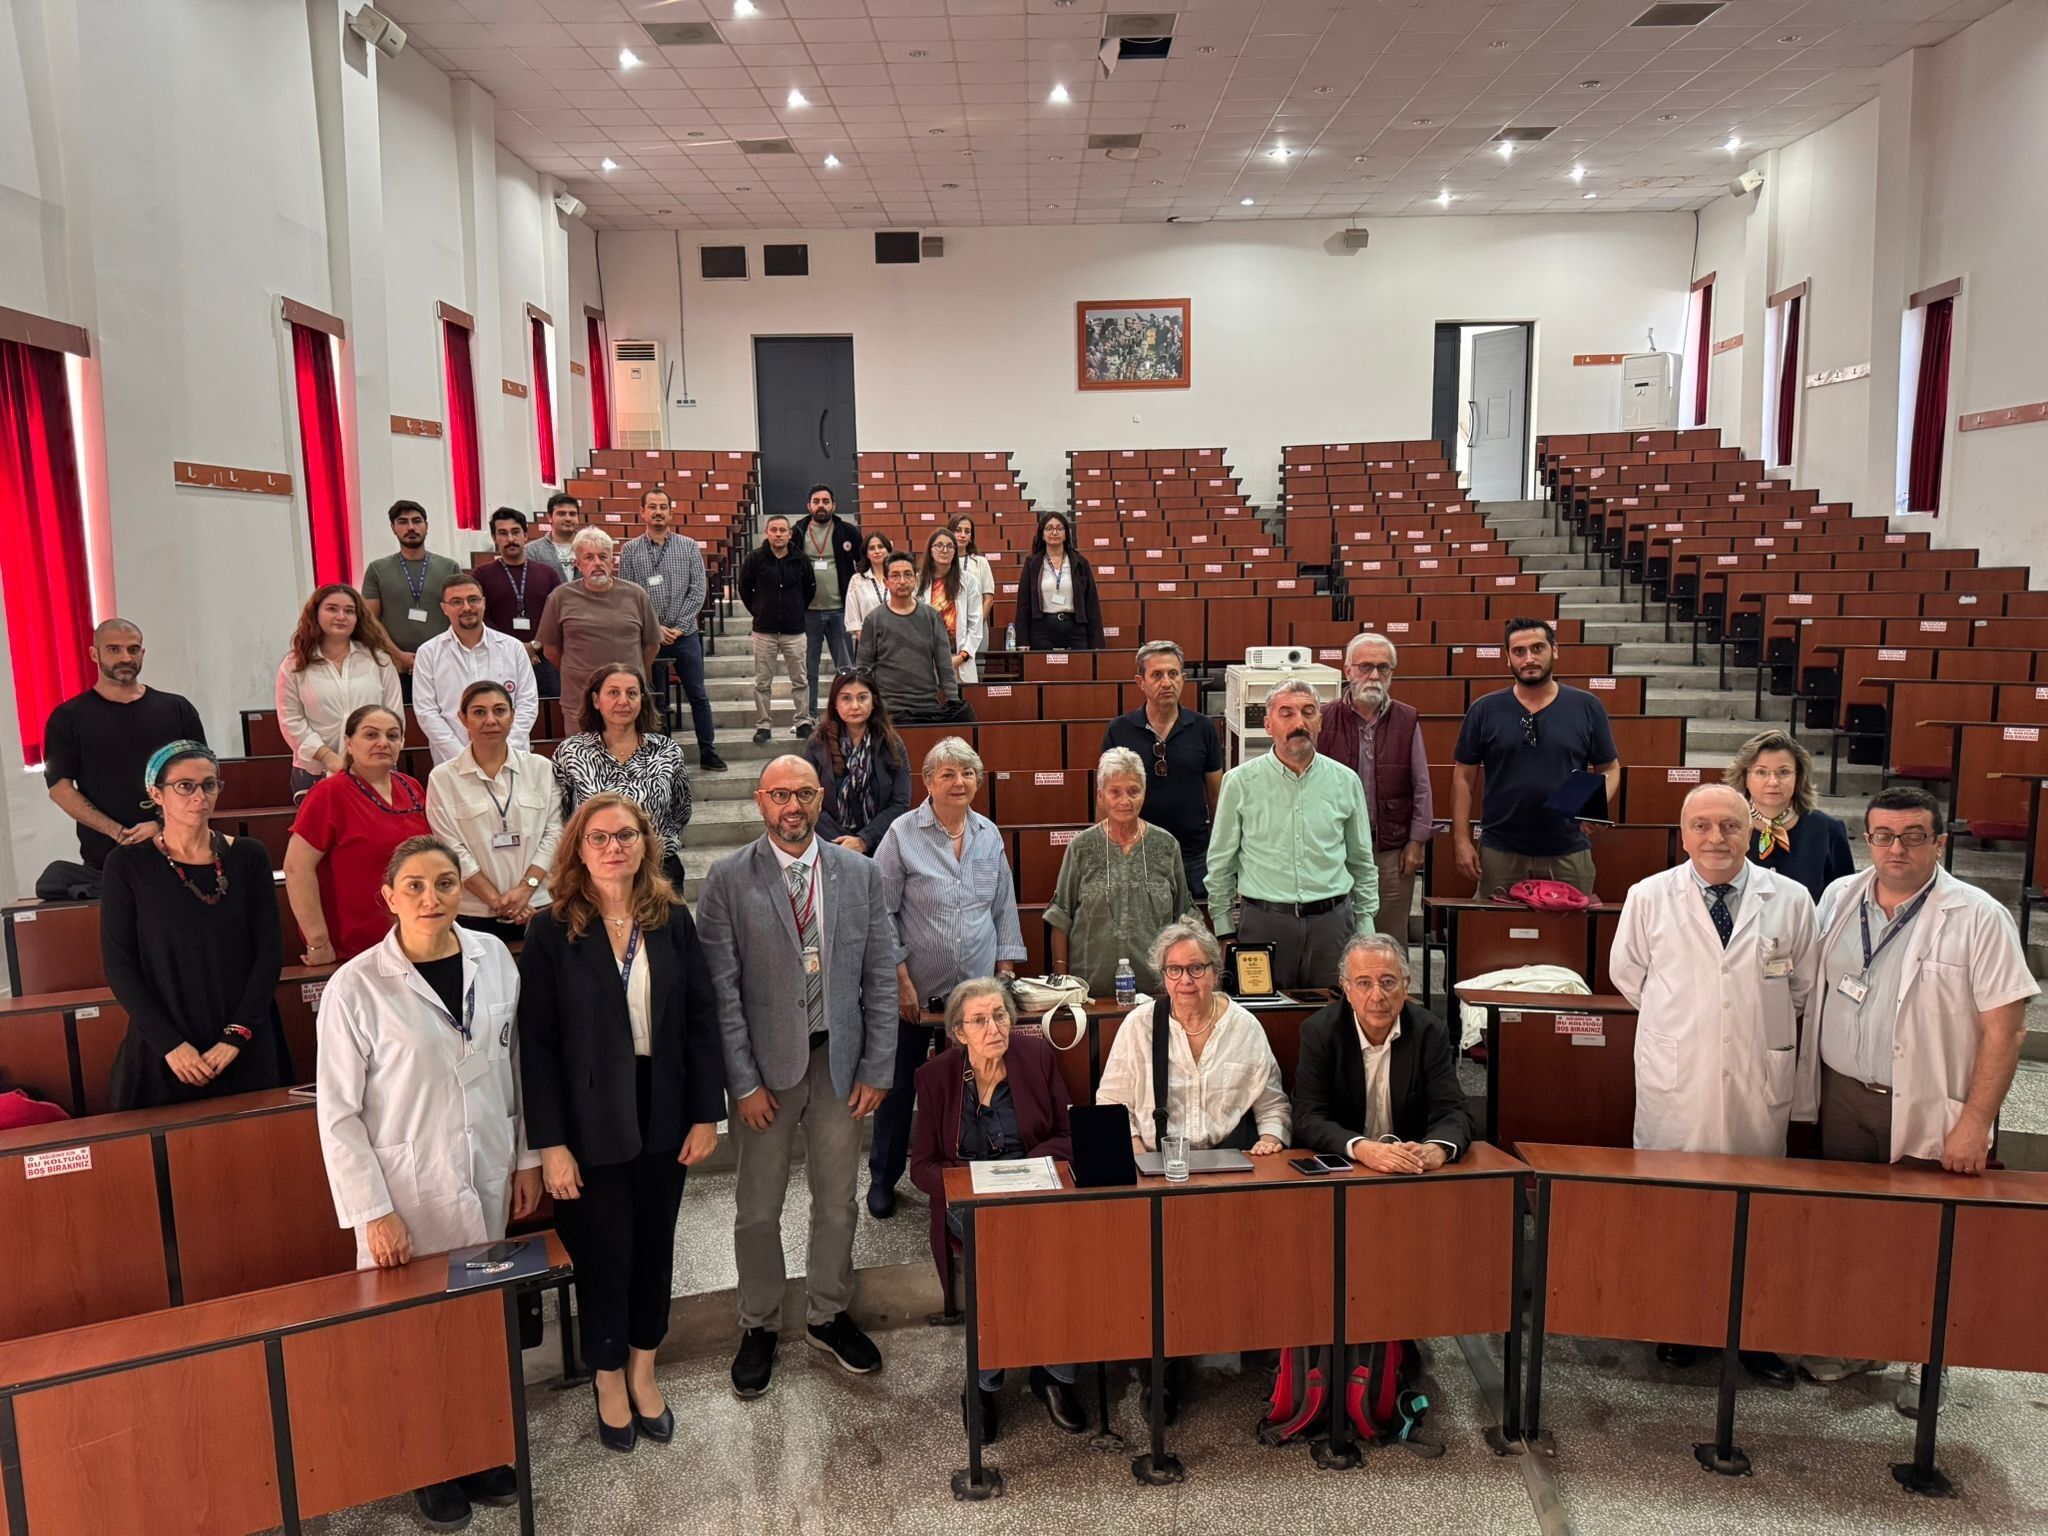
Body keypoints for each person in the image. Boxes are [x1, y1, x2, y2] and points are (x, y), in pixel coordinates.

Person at [314, 835, 540, 1532]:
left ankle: (474, 1447)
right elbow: (339, 1115)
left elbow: (518, 1063)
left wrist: (526, 1158)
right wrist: (371, 1212)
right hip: (405, 1191)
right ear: (388, 896)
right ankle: (425, 1462)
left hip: (488, 1169)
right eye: (413, 885)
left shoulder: (493, 956)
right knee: (413, 1333)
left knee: (477, 1320)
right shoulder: (356, 985)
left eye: (444, 883)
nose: (430, 898)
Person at [1799, 786, 2037, 1413]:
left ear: (1940, 842)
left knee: (1927, 1236)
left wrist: (1975, 1124)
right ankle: (1857, 1342)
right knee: (1852, 1229)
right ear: (1867, 840)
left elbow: (2005, 1028)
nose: (1895, 847)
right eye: (1882, 835)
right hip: (1843, 1094)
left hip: (1931, 1103)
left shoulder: (1979, 916)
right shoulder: (1838, 897)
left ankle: (1923, 1359)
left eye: (1912, 835)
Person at [518, 794, 726, 1453]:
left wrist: (705, 1112)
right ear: (578, 849)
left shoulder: (672, 921)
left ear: (646, 845)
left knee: (653, 1249)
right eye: (601, 837)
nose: (615, 847)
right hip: (585, 1122)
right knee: (603, 1255)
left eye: (628, 835)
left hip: (663, 1108)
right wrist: (550, 1143)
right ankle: (607, 1374)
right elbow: (539, 1044)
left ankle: (644, 1369)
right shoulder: (551, 929)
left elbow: (700, 1021)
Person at [697, 756, 898, 1399]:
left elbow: (879, 978)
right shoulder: (728, 880)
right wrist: (744, 1082)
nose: (793, 805)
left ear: (820, 799)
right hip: (765, 1073)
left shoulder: (858, 875)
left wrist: (877, 1065)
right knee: (758, 1208)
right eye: (780, 794)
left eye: (805, 793)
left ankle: (826, 1314)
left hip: (839, 1064)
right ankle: (758, 1323)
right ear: (760, 801)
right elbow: (722, 994)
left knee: (837, 1201)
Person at [1608, 783, 1817, 1388]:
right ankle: (1680, 1323)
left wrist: (1739, 1021)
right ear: (1683, 835)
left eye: (1728, 825)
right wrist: (1693, 1024)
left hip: (1759, 1077)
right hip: (1679, 1080)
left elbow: (1801, 983)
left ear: (1750, 830)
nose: (1715, 838)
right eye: (1701, 826)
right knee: (1679, 1207)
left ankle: (1753, 1332)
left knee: (1759, 1211)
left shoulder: (1792, 899)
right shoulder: (1650, 896)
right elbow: (1630, 976)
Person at [908, 979, 1083, 1440]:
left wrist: (1022, 1172)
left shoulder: (1036, 1058)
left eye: (1000, 1016)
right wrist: (969, 1184)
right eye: (980, 1020)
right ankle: (986, 1381)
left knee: (1050, 1245)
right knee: (1000, 1249)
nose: (993, 1027)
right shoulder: (936, 1076)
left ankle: (1054, 1375)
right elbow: (921, 1166)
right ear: (959, 1033)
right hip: (969, 1195)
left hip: (1033, 1187)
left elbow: (1068, 1136)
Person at [869, 738, 1026, 1218]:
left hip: (975, 996)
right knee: (899, 1090)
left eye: (968, 774)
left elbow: (1003, 905)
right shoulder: (900, 834)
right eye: (948, 774)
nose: (959, 783)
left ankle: (966, 1167)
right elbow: (881, 910)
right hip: (915, 993)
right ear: (928, 781)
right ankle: (883, 1178)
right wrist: (900, 978)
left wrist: (1003, 971)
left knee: (970, 1086)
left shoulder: (988, 834)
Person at [100, 742, 288, 1110]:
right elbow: (119, 966)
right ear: (157, 793)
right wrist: (171, 1045)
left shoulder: (250, 855)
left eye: (209, 784)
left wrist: (236, 1036)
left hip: (244, 1038)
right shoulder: (126, 864)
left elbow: (268, 953)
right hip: (166, 1044)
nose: (199, 796)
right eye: (185, 786)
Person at [1207, 679, 1377, 990]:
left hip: (1333, 925)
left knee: (1334, 1021)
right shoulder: (1239, 783)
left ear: (1320, 722)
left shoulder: (1345, 781)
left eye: (1308, 712)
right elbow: (1220, 865)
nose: (1299, 722)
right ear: (1268, 724)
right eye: (1286, 713)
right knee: (1263, 1024)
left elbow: (1362, 864)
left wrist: (1365, 926)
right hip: (1263, 923)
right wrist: (1224, 930)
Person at [1452, 618, 1620, 899]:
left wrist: (1594, 804)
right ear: (1508, 658)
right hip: (1500, 850)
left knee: (1567, 938)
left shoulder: (1587, 706)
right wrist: (1461, 841)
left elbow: (1610, 768)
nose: (1529, 658)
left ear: (1554, 650)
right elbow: (1463, 778)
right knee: (1498, 935)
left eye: (1537, 648)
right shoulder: (1484, 709)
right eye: (1519, 651)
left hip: (1568, 849)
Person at [1098, 919, 1289, 1157]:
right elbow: (1111, 1103)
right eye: (1174, 969)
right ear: (1164, 975)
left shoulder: (1245, 1028)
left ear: (1215, 972)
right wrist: (1136, 1154)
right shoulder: (1138, 1026)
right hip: (1153, 1161)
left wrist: (1269, 1141)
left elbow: (1272, 1106)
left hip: (1230, 1161)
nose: (1185, 980)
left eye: (1196, 968)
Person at [1293, 934, 1470, 1168]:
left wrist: (1436, 1149)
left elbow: (1453, 1111)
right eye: (1364, 983)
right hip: (1345, 1166)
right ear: (1346, 988)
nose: (1377, 996)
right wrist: (1361, 1148)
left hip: (1408, 1167)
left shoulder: (1429, 1031)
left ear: (1406, 985)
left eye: (1388, 982)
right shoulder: (1320, 1032)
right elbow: (1308, 1117)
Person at [43, 619, 206, 873]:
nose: (125, 658)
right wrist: (118, 833)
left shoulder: (176, 709)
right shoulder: (68, 717)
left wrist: (161, 824)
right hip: (106, 857)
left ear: (143, 653)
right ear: (94, 654)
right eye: (113, 649)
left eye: (133, 649)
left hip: (182, 849)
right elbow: (60, 789)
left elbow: (202, 777)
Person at [284, 705, 431, 965]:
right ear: (349, 743)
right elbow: (297, 869)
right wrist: (318, 941)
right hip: (355, 948)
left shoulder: (412, 787)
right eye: (371, 735)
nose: (383, 743)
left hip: (414, 939)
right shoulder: (329, 794)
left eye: (393, 736)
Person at [1045, 747, 1191, 997]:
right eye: (1115, 792)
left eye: (1133, 791)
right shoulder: (1081, 847)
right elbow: (1061, 918)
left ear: (1144, 794)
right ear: (1101, 796)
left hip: (1155, 990)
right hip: (1090, 990)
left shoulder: (1167, 845)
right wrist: (1062, 978)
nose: (1125, 800)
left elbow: (1184, 917)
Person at [426, 681, 563, 946]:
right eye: (479, 712)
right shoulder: (443, 778)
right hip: (475, 914)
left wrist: (526, 889)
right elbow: (451, 849)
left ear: (512, 716)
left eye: (500, 711)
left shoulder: (540, 768)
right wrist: (497, 901)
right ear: (463, 718)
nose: (491, 720)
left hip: (539, 906)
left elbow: (555, 834)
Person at [1317, 632, 1431, 941]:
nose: (1374, 676)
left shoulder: (1407, 719)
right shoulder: (1324, 719)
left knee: (1389, 937)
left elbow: (1421, 785)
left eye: (1383, 668)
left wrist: (1417, 841)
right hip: (1333, 849)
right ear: (1348, 670)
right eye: (1365, 666)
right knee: (1336, 936)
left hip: (1390, 850)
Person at [551, 664, 692, 887]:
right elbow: (563, 815)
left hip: (658, 872)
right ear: (596, 700)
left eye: (632, 693)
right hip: (595, 872)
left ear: (642, 700)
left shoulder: (667, 750)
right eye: (613, 692)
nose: (623, 701)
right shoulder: (571, 752)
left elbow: (680, 811)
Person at [1103, 640, 1223, 898]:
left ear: (1183, 678)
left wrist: (1217, 848)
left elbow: (1216, 796)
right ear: (1140, 682)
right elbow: (1105, 795)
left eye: (1173, 674)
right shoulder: (1119, 729)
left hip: (1194, 855)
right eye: (1157, 675)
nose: (1167, 682)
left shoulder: (1204, 728)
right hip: (1136, 851)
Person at [618, 488, 726, 773]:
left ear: (671, 512)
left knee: (698, 695)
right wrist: (656, 628)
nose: (657, 512)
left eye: (663, 507)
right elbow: (628, 594)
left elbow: (698, 590)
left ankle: (708, 751)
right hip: (649, 638)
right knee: (654, 698)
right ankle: (661, 757)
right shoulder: (630, 550)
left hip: (686, 634)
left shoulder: (689, 546)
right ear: (642, 512)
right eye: (652, 507)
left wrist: (677, 627)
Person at [275, 584, 403, 800]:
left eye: (349, 611)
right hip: (316, 768)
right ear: (316, 613)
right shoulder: (294, 664)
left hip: (375, 764)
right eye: (332, 609)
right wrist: (328, 756)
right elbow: (291, 720)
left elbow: (394, 713)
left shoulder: (378, 660)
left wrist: (368, 755)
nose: (341, 616)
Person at [411, 570, 539, 767]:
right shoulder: (428, 653)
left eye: (473, 599)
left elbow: (527, 705)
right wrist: (464, 757)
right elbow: (426, 712)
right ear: (444, 608)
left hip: (511, 759)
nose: (467, 607)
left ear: (484, 603)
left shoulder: (513, 648)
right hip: (453, 762)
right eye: (456, 602)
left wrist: (504, 751)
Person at [537, 526, 661, 713]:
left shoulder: (636, 595)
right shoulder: (560, 597)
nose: (597, 563)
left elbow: (652, 646)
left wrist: (631, 674)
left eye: (603, 557)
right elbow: (551, 650)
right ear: (577, 563)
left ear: (612, 561)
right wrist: (577, 674)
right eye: (589, 557)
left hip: (626, 702)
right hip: (580, 700)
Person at [1725, 730, 1854, 901]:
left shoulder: (1827, 829)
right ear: (1745, 777)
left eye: (1783, 772)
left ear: (1798, 776)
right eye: (1761, 772)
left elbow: (1844, 901)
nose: (1773, 782)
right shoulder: (1725, 828)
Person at [854, 552, 975, 725]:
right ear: (886, 582)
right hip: (888, 713)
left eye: (908, 574)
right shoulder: (874, 619)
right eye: (895, 576)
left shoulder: (931, 616)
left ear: (915, 580)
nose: (902, 581)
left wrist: (952, 699)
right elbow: (863, 669)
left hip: (927, 708)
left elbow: (944, 664)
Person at [360, 499, 460, 699]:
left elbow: (460, 615)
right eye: (403, 522)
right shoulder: (377, 569)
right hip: (395, 666)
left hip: (443, 664)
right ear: (393, 528)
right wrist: (398, 655)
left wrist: (437, 657)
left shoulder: (449, 567)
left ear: (426, 526)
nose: (411, 527)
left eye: (417, 521)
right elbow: (370, 620)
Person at [804, 666, 910, 856]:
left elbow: (900, 803)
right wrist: (843, 845)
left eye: (862, 697)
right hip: (831, 847)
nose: (854, 706)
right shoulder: (817, 742)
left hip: (881, 846)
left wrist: (864, 840)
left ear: (874, 701)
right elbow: (808, 798)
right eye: (846, 698)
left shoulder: (891, 743)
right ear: (834, 704)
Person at [737, 512, 816, 745]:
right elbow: (744, 588)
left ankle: (803, 721)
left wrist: (796, 610)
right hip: (764, 631)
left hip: (795, 630)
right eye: (774, 530)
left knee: (800, 679)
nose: (778, 534)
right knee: (762, 682)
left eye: (783, 530)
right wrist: (760, 611)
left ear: (790, 534)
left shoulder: (801, 559)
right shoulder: (755, 559)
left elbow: (809, 590)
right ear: (767, 533)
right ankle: (763, 725)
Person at [477, 507, 563, 698]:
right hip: (499, 660)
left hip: (543, 660)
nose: (510, 539)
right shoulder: (482, 575)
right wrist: (515, 647)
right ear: (494, 538)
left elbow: (557, 614)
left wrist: (535, 644)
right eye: (502, 533)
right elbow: (482, 617)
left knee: (548, 718)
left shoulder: (547, 574)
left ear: (525, 535)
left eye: (515, 532)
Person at [798, 484, 862, 723]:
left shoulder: (848, 531)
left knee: (845, 668)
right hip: (808, 613)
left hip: (840, 612)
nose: (821, 505)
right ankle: (810, 715)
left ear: (833, 505)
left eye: (826, 501)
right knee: (809, 670)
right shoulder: (798, 531)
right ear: (809, 506)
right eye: (816, 501)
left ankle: (846, 713)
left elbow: (862, 563)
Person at [1013, 510, 1103, 651]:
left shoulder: (1080, 562)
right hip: (1042, 630)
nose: (1054, 532)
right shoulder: (1032, 563)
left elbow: (1092, 604)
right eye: (1049, 528)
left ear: (1066, 533)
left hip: (1075, 629)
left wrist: (1097, 642)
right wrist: (1022, 641)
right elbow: (1023, 604)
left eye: (1059, 528)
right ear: (1042, 535)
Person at [915, 527, 985, 684]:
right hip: (927, 660)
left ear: (955, 551)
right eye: (939, 545)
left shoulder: (968, 581)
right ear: (930, 550)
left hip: (959, 659)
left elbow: (975, 624)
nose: (944, 550)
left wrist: (963, 656)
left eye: (949, 546)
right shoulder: (917, 582)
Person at [951, 514, 996, 644]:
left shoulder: (980, 562)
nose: (963, 535)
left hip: (976, 629)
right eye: (958, 530)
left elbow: (988, 600)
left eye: (967, 531)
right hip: (950, 629)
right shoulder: (943, 562)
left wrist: (974, 627)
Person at [843, 531, 893, 642]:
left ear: (888, 550)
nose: (877, 551)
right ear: (867, 554)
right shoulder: (857, 580)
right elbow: (853, 618)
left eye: (880, 547)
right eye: (872, 548)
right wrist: (869, 645)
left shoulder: (898, 577)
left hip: (897, 643)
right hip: (867, 643)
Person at [527, 491, 584, 581]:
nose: (568, 518)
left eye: (572, 514)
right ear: (549, 517)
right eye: (561, 514)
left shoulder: (589, 546)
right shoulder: (533, 551)